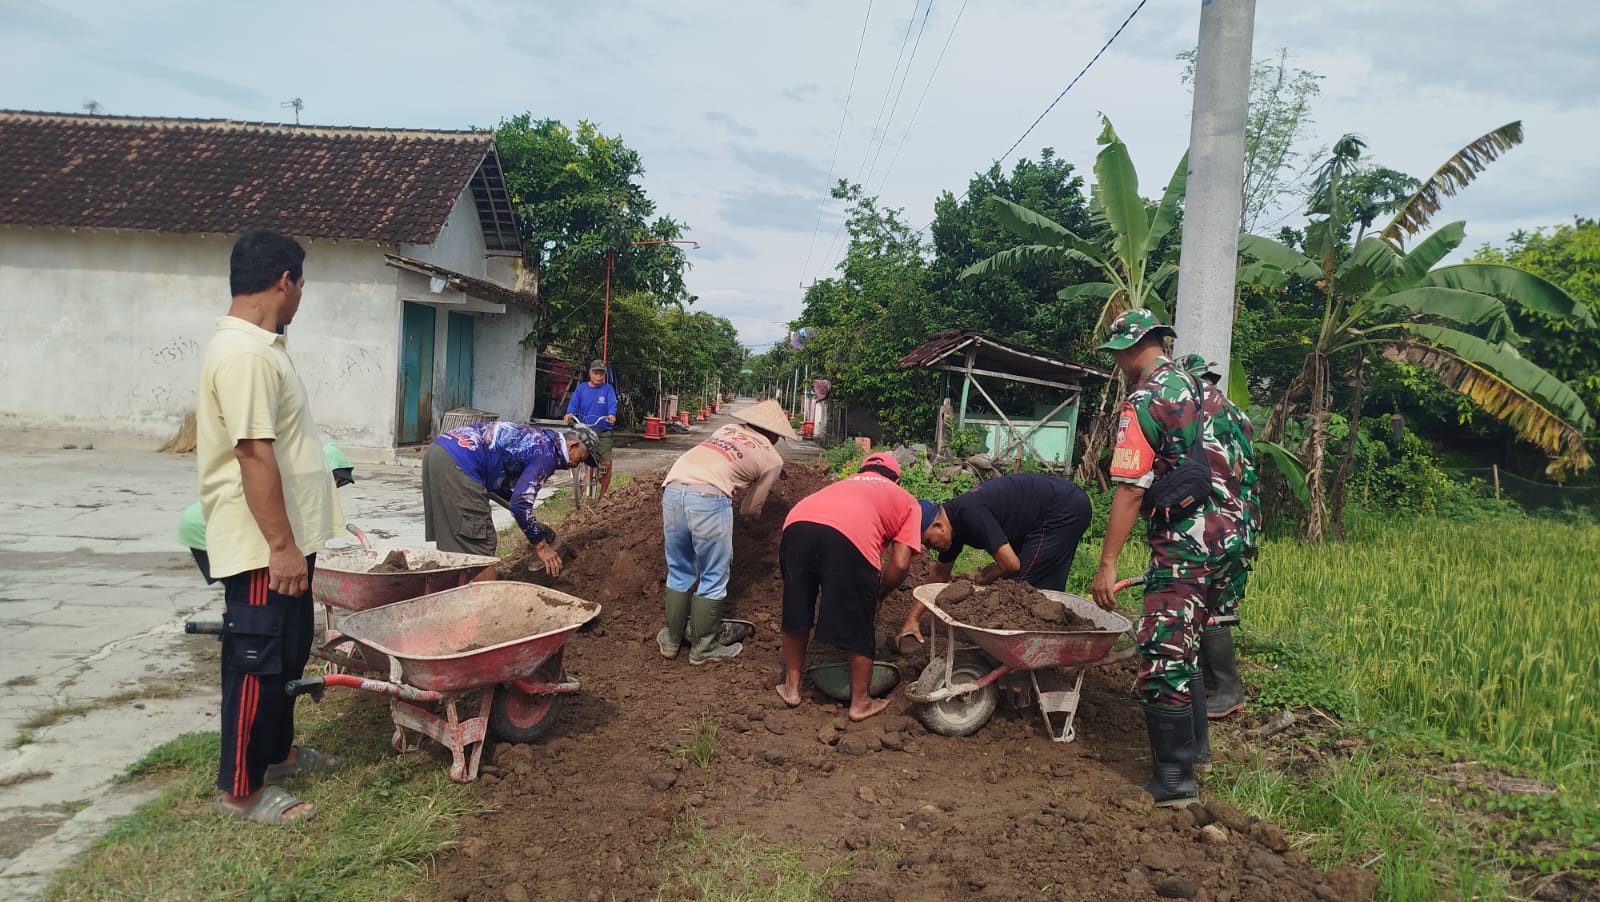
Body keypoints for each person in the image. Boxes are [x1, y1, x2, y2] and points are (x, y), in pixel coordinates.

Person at [198, 230, 344, 824]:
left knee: (287, 652)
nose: (302, 294)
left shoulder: (265, 348)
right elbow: (253, 454)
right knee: (255, 661)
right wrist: (281, 546)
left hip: (287, 540)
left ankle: (278, 755)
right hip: (263, 545)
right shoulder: (246, 356)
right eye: (302, 283)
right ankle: (240, 792)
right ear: (285, 281)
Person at [1090, 309, 1249, 808]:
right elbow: (1244, 466)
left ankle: (1174, 782)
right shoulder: (1214, 396)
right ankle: (1197, 752)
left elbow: (1130, 488)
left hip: (1188, 545)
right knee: (1191, 642)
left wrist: (1107, 564)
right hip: (1235, 540)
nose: (1117, 364)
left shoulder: (1146, 399)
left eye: (1117, 354)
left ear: (1129, 349)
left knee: (1163, 652)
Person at [776, 452, 921, 721]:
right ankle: (860, 703)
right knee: (858, 619)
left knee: (797, 605)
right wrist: (879, 595)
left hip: (797, 526)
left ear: (862, 471)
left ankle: (791, 688)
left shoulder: (842, 484)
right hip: (849, 536)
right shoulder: (907, 500)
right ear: (897, 480)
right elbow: (901, 564)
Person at [658, 400, 794, 663]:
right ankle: (704, 648)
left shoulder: (726, 429)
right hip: (708, 498)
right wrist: (760, 527)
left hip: (673, 490)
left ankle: (671, 640)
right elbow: (749, 509)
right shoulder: (773, 458)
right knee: (713, 574)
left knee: (679, 569)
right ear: (776, 434)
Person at [896, 472, 1093, 648]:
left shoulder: (970, 512)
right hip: (1055, 510)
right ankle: (1050, 648)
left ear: (939, 526)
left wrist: (984, 582)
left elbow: (1010, 564)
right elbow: (939, 573)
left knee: (1017, 590)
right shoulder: (953, 527)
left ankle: (1027, 652)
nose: (929, 548)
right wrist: (912, 619)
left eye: (928, 541)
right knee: (1043, 586)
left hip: (1061, 509)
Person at [1174, 353, 1259, 719]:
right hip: (1244, 521)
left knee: (1200, 602)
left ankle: (1226, 688)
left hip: (1210, 522)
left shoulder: (1192, 410)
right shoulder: (1239, 414)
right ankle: (1214, 683)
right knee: (1219, 602)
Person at [422, 421, 599, 573]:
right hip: (461, 461)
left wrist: (533, 524)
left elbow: (507, 492)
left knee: (457, 538)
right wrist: (541, 545)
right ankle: (483, 600)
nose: (575, 465)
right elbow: (520, 503)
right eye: (580, 459)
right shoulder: (547, 455)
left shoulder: (540, 439)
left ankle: (453, 589)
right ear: (572, 445)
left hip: (440, 450)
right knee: (479, 546)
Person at [179, 443, 354, 583]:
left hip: (210, 523)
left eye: (340, 482)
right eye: (336, 479)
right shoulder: (296, 486)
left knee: (238, 590)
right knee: (242, 588)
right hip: (204, 526)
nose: (336, 485)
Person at [564, 359, 618, 499]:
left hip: (603, 430)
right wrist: (570, 413)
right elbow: (574, 403)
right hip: (583, 430)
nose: (598, 376)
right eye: (595, 373)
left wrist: (611, 415)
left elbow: (612, 403)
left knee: (606, 463)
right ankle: (578, 486)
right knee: (573, 456)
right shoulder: (581, 388)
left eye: (601, 374)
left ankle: (603, 496)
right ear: (590, 373)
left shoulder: (608, 389)